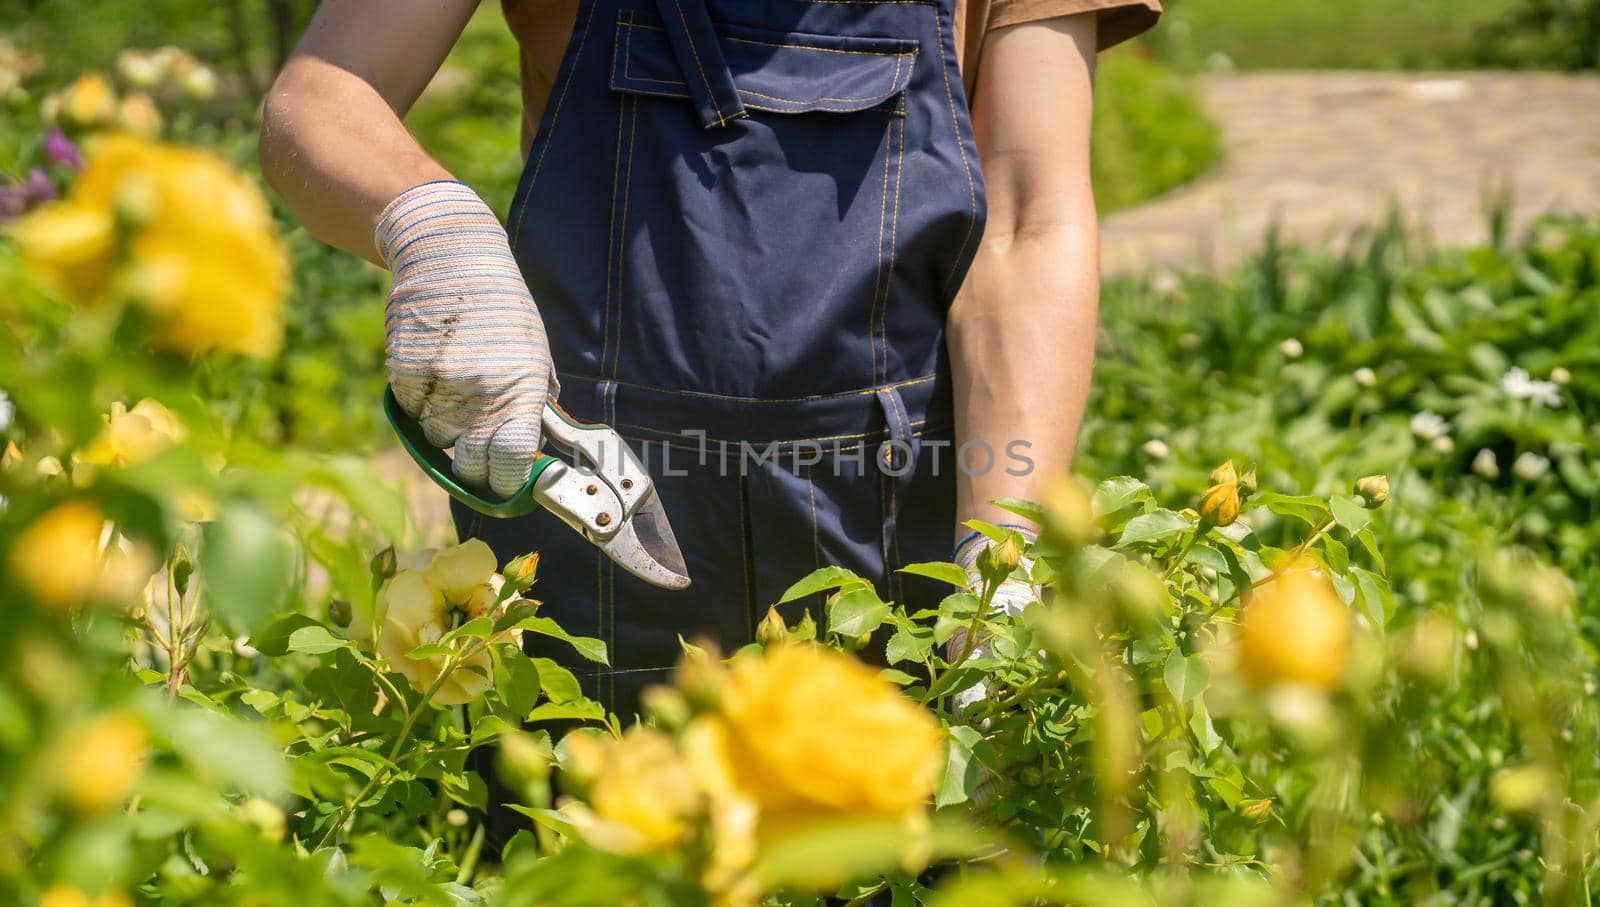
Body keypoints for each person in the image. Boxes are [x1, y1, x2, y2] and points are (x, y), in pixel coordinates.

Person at [262, 0, 1156, 758]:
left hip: (902, 535)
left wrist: (1003, 572)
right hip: (590, 533)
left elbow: (1030, 220)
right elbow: (325, 92)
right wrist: (431, 224)